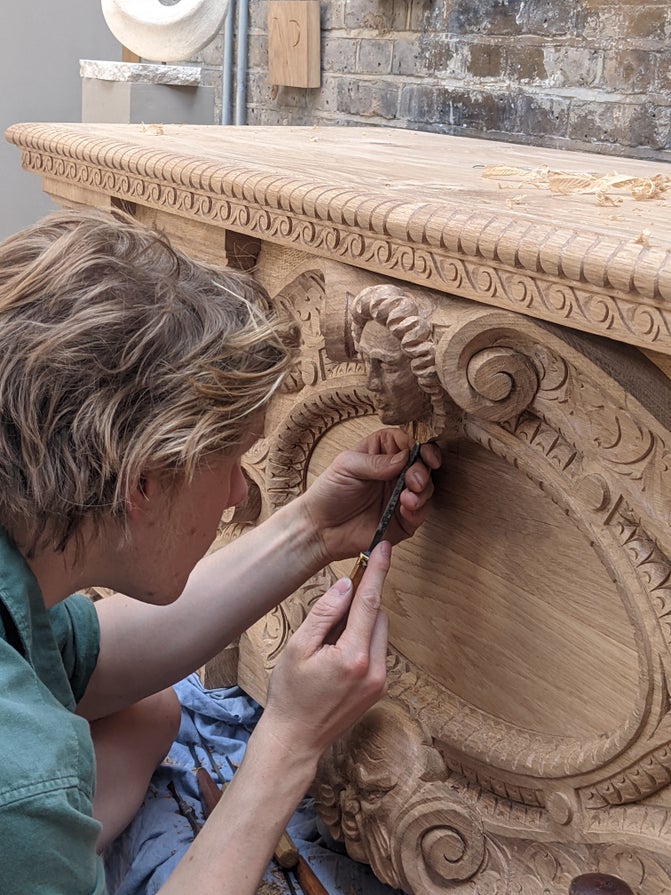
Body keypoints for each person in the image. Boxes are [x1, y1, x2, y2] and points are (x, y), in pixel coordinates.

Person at [0, 208, 439, 895]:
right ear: (141, 480)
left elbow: (88, 654)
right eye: (231, 458)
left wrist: (311, 533)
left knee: (150, 713)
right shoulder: (21, 776)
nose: (239, 493)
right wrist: (289, 741)